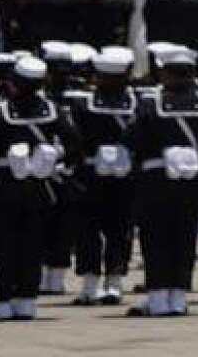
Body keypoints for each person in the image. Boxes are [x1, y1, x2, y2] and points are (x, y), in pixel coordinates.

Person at [0, 55, 70, 321]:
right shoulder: (53, 111)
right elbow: (74, 145)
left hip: (4, 184)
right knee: (32, 245)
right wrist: (52, 161)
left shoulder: (0, 112)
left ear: (14, 83)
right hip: (38, 185)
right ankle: (27, 299)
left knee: (1, 245)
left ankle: (2, 301)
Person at [126, 45, 198, 317]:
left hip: (155, 179)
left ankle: (157, 297)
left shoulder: (148, 103)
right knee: (184, 237)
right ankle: (178, 297)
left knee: (155, 238)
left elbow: (132, 140)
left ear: (165, 73)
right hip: (191, 180)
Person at [64, 46, 137, 305]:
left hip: (95, 175)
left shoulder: (82, 103)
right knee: (113, 229)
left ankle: (94, 284)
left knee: (94, 230)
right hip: (115, 175)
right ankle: (110, 283)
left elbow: (73, 141)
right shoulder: (137, 103)